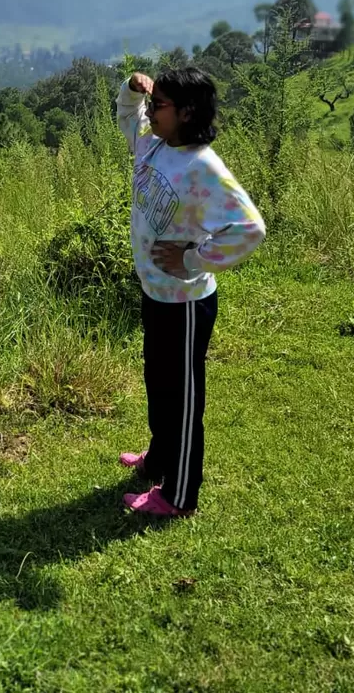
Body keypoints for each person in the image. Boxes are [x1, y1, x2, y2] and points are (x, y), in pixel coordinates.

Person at [113, 66, 266, 517]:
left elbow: (250, 228)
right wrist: (131, 88)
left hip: (184, 303)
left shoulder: (203, 166)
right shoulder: (155, 145)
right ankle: (159, 460)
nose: (150, 110)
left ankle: (179, 494)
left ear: (187, 112)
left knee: (182, 398)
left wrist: (192, 259)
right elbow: (127, 116)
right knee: (159, 384)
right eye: (153, 102)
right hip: (155, 293)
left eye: (158, 104)